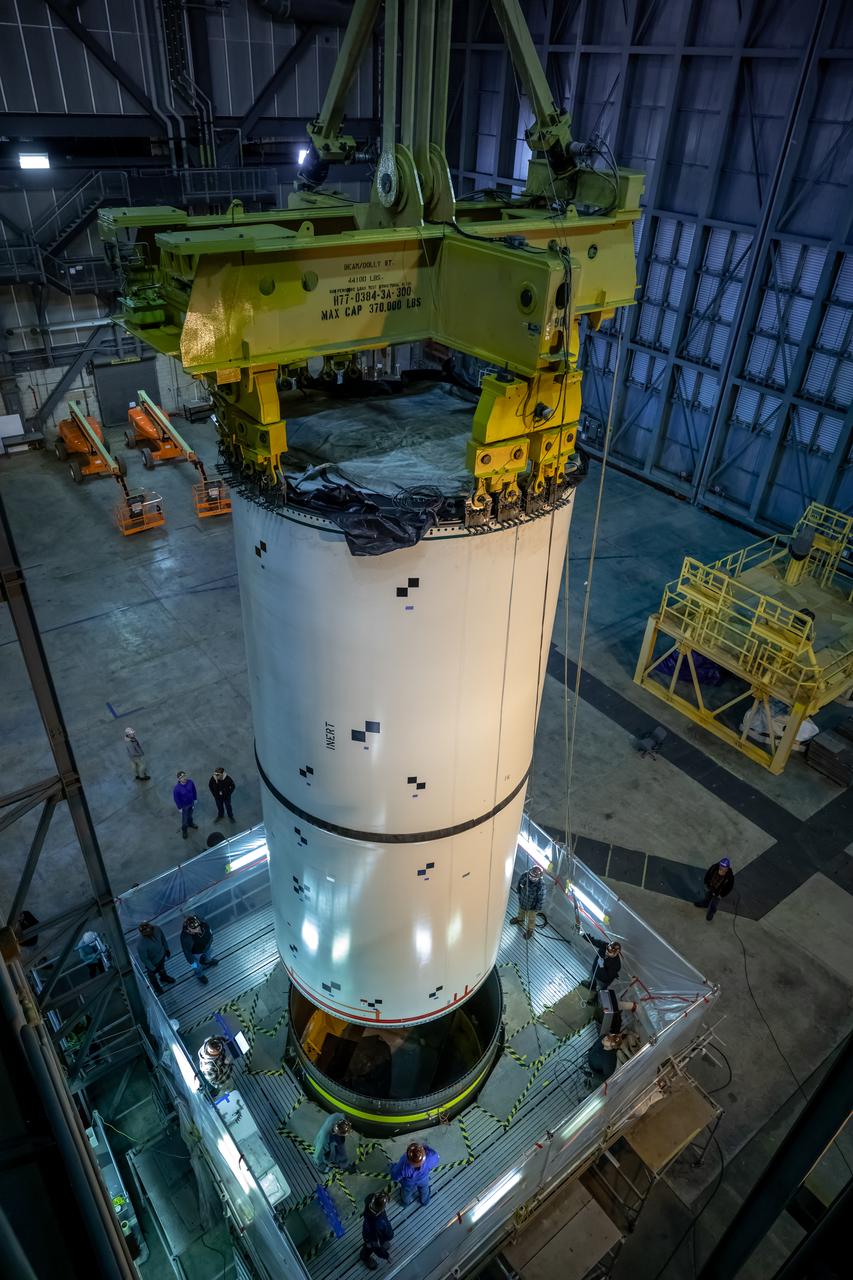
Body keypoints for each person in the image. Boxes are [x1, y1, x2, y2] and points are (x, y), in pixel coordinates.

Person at [389, 1141, 439, 1207]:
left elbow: (395, 1177)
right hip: (423, 1179)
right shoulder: (430, 1157)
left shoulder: (403, 1165)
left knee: (406, 1192)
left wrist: (392, 1167)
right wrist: (425, 1147)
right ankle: (425, 1201)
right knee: (424, 1189)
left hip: (408, 1182)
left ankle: (405, 1203)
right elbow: (436, 1159)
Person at [582, 934, 622, 1005]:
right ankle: (592, 985)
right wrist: (583, 934)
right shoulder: (605, 945)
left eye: (609, 953)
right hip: (595, 970)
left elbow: (606, 977)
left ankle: (596, 1000)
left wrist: (601, 966)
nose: (606, 953)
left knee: (601, 989)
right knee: (593, 978)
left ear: (616, 953)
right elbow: (593, 941)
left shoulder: (617, 965)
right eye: (607, 951)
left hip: (603, 980)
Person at [137, 920, 175, 994]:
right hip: (152, 963)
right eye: (146, 932)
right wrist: (152, 967)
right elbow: (144, 958)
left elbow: (163, 939)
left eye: (149, 930)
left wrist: (166, 949)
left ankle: (164, 977)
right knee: (152, 976)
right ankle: (157, 988)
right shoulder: (141, 944)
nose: (149, 932)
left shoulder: (157, 929)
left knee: (162, 968)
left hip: (161, 955)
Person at [180, 914, 218, 984]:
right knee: (196, 966)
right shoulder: (186, 938)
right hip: (195, 953)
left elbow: (209, 930)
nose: (198, 929)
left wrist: (211, 940)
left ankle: (207, 961)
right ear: (188, 929)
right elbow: (186, 952)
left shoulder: (202, 922)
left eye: (198, 927)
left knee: (209, 955)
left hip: (207, 946)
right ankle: (199, 974)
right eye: (194, 929)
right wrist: (192, 962)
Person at [360, 1191, 394, 1270]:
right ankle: (364, 1257)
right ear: (381, 1209)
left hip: (376, 1234)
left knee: (374, 1243)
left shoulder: (369, 1201)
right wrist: (386, 1256)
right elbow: (376, 1246)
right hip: (373, 1237)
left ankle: (381, 1243)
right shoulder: (376, 1224)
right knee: (369, 1247)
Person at [510, 864, 545, 939]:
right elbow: (519, 884)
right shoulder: (524, 876)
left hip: (532, 906)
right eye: (531, 876)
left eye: (534, 877)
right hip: (523, 900)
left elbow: (541, 898)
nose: (532, 878)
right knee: (521, 911)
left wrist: (537, 908)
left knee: (531, 918)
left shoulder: (541, 885)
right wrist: (519, 893)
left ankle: (530, 930)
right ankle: (520, 919)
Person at [695, 857, 734, 921]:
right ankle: (705, 904)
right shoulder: (714, 867)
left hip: (718, 893)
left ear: (727, 868)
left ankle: (711, 912)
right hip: (711, 887)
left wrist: (722, 895)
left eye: (723, 867)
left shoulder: (729, 877)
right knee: (707, 897)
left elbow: (729, 887)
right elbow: (708, 874)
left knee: (714, 903)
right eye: (721, 866)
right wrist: (706, 882)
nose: (721, 868)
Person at [173, 771, 198, 839]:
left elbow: (194, 790)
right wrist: (179, 808)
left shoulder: (190, 782)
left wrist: (195, 799)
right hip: (184, 806)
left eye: (184, 776)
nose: (184, 778)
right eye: (181, 777)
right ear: (179, 779)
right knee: (184, 820)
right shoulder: (177, 789)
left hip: (191, 803)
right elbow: (176, 799)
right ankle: (184, 830)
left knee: (190, 816)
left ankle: (191, 824)